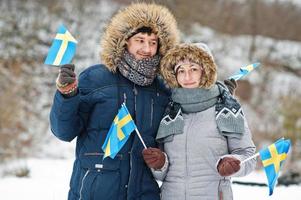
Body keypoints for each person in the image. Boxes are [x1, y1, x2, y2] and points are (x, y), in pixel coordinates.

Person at [50, 3, 180, 200]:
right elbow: (63, 131)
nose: (147, 48)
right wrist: (67, 95)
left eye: (153, 42)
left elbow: (176, 144)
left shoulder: (163, 90)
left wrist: (162, 160)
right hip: (95, 192)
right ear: (124, 41)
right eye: (140, 40)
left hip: (144, 193)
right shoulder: (95, 78)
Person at [142, 43, 256, 200]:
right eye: (181, 71)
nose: (187, 77)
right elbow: (164, 174)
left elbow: (248, 156)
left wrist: (234, 163)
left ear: (205, 71)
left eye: (193, 69)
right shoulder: (170, 112)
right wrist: (160, 164)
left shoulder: (226, 109)